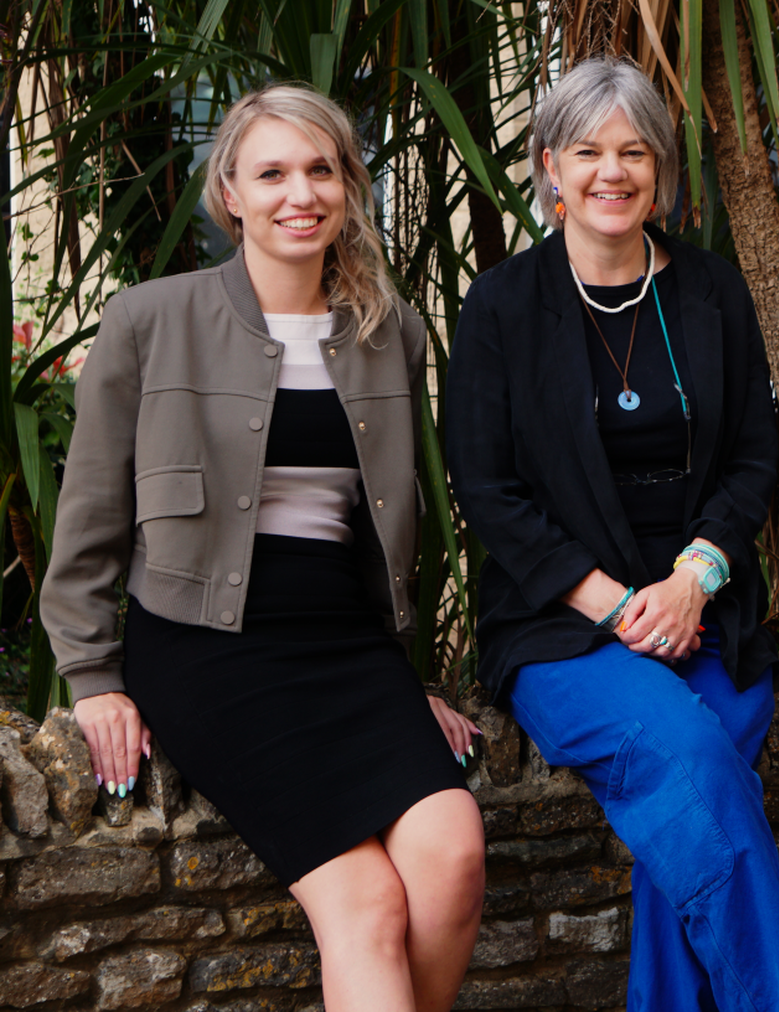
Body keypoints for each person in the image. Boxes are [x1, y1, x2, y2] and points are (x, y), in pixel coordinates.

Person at [39, 85, 487, 1012]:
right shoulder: (149, 321)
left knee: (453, 857)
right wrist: (93, 675)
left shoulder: (388, 333)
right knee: (363, 905)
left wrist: (410, 681)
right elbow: (88, 518)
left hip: (349, 651)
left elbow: (380, 531)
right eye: (272, 171)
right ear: (231, 193)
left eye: (322, 169)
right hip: (213, 649)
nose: (301, 193)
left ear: (349, 186)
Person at [444, 56, 779, 1012]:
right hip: (560, 620)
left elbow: (751, 456)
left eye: (633, 151)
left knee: (689, 802)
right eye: (587, 151)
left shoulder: (710, 290)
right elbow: (486, 489)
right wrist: (619, 606)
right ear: (549, 165)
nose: (611, 172)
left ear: (659, 168)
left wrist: (693, 580)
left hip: (703, 611)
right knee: (695, 760)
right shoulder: (501, 305)